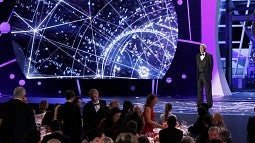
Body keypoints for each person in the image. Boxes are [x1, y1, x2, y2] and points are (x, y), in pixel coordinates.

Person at [196, 44, 214, 108]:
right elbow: (198, 66)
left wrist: (208, 74)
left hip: (206, 75)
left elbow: (211, 66)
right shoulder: (197, 56)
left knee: (208, 90)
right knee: (199, 90)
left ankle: (209, 104)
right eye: (200, 48)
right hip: (199, 75)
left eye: (202, 48)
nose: (200, 49)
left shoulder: (209, 56)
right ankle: (199, 103)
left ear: (204, 48)